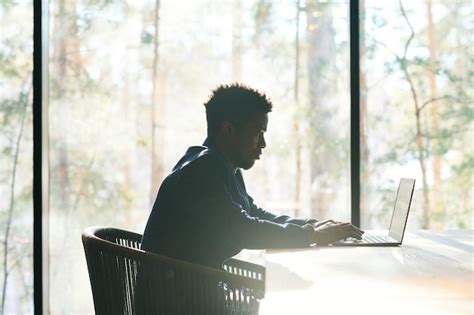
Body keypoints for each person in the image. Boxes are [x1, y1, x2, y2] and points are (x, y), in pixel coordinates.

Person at [141, 83, 363, 269]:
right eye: (258, 133)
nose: (263, 144)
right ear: (228, 129)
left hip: (193, 288)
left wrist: (311, 225)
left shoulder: (221, 164)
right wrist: (311, 235)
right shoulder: (203, 169)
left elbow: (252, 213)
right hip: (179, 300)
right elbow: (243, 230)